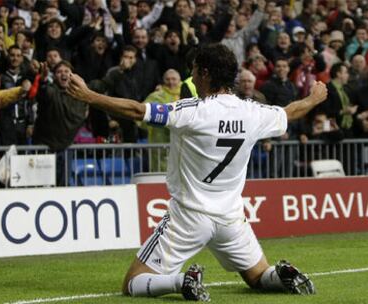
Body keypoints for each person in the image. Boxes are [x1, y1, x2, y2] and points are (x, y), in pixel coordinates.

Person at [67, 44, 326, 301]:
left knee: (133, 282)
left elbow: (137, 110)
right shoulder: (253, 112)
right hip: (231, 219)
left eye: (193, 70)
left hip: (189, 216)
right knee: (258, 276)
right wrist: (313, 98)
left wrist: (90, 96)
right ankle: (281, 275)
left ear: (204, 73)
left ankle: (183, 280)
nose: (191, 75)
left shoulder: (191, 111)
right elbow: (290, 112)